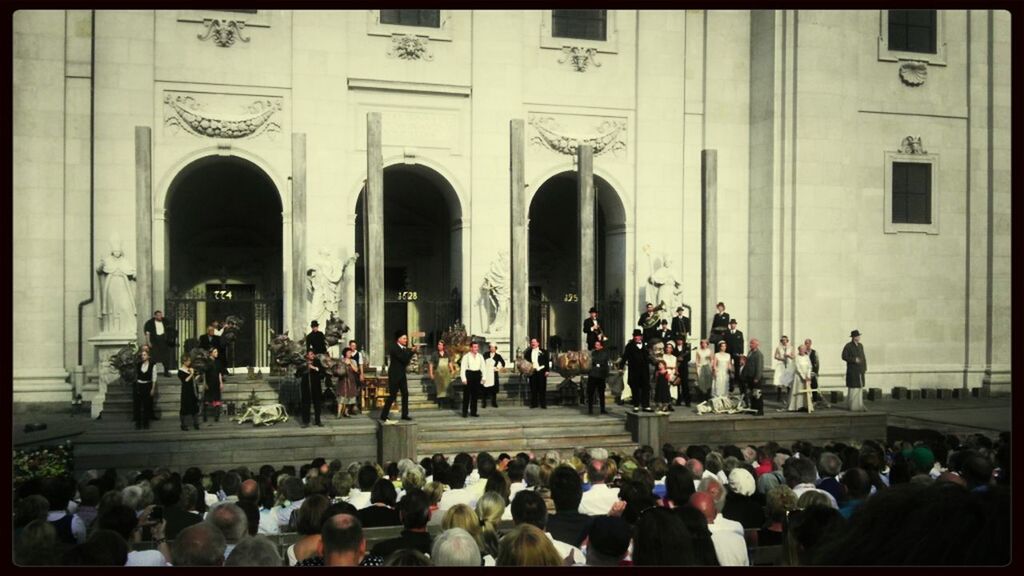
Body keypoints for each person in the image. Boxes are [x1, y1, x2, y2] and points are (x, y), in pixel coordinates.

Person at [96, 238, 136, 334]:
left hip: (123, 284)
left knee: (126, 305)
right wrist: (101, 265)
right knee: (112, 307)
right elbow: (98, 270)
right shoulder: (107, 261)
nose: (116, 253)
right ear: (112, 251)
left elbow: (132, 271)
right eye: (115, 251)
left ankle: (129, 328)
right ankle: (110, 329)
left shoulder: (124, 261)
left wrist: (135, 274)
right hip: (111, 285)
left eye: (118, 251)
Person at [380, 331, 414, 422]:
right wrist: (411, 352)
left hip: (402, 374)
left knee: (405, 394)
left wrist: (411, 352)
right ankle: (384, 415)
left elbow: (406, 361)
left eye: (406, 338)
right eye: (404, 338)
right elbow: (403, 359)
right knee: (392, 395)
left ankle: (405, 414)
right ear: (398, 339)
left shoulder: (405, 349)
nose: (406, 340)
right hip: (394, 374)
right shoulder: (394, 348)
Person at [619, 329, 652, 412]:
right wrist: (621, 367)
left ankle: (646, 405)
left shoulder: (645, 345)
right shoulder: (629, 346)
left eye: (638, 336)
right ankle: (636, 405)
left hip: (644, 370)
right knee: (635, 388)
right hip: (634, 370)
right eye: (635, 336)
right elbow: (625, 356)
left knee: (646, 387)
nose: (637, 337)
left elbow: (648, 356)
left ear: (641, 337)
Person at [297, 349, 324, 428]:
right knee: (305, 403)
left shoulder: (317, 362)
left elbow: (321, 371)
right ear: (307, 356)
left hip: (315, 385)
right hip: (306, 386)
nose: (312, 356)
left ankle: (318, 421)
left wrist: (314, 368)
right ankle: (306, 421)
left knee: (317, 403)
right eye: (310, 354)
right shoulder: (303, 363)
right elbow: (298, 373)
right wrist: (304, 368)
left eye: (313, 354)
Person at [842, 330, 867, 412]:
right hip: (852, 370)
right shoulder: (848, 346)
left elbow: (863, 357)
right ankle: (853, 406)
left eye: (859, 336)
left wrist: (864, 367)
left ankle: (860, 405)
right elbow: (844, 356)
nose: (858, 337)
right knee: (853, 388)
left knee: (859, 387)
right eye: (857, 336)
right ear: (853, 337)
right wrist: (853, 360)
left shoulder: (860, 346)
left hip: (860, 370)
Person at [460, 341, 486, 418]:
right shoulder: (466, 356)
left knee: (475, 395)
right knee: (467, 395)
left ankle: (473, 412)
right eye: (474, 347)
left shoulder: (480, 356)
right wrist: (464, 379)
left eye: (477, 347)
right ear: (471, 348)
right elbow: (463, 368)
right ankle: (464, 412)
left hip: (477, 375)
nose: (476, 349)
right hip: (469, 375)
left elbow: (483, 367)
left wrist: (484, 377)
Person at [144, 310, 172, 376]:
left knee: (166, 357)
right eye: (158, 315)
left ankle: (166, 372)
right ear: (155, 316)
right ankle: (151, 372)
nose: (160, 316)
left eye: (161, 315)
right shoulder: (150, 323)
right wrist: (148, 342)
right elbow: (147, 333)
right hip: (155, 342)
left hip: (164, 341)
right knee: (153, 357)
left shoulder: (166, 322)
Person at [524, 337, 551, 409]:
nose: (533, 343)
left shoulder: (544, 352)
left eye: (534, 342)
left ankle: (543, 404)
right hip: (532, 372)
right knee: (533, 388)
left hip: (541, 371)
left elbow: (546, 362)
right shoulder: (528, 352)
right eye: (532, 342)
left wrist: (547, 370)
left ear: (538, 343)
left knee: (542, 388)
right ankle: (534, 403)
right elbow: (526, 362)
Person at [740, 339, 765, 415]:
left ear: (757, 345)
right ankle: (752, 408)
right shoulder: (750, 352)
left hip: (755, 377)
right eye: (750, 343)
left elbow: (759, 367)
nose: (750, 345)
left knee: (757, 394)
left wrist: (757, 377)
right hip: (749, 376)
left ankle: (759, 410)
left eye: (752, 343)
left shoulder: (758, 354)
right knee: (751, 394)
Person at [586, 338, 610, 415]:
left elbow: (605, 364)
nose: (596, 346)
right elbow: (590, 362)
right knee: (591, 393)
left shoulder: (604, 353)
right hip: (593, 375)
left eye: (597, 345)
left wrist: (606, 375)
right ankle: (590, 409)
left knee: (601, 393)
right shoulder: (592, 353)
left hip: (600, 375)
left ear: (601, 346)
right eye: (595, 345)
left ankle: (602, 409)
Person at [134, 349, 156, 429]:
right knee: (138, 405)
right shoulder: (139, 365)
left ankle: (146, 423)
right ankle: (138, 423)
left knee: (146, 405)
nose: (143, 356)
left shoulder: (152, 365)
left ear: (148, 356)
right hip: (139, 386)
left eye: (144, 355)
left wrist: (153, 389)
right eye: (142, 355)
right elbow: (136, 375)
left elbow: (154, 378)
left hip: (147, 386)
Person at [335, 347, 360, 418]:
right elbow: (337, 370)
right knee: (341, 397)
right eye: (348, 352)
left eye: (350, 352)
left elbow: (356, 370)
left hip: (351, 380)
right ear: (345, 353)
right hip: (342, 380)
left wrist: (350, 363)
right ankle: (339, 413)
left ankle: (346, 412)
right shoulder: (341, 361)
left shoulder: (353, 361)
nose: (350, 354)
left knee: (350, 396)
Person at [200, 347, 224, 423]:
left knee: (217, 399)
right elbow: (204, 373)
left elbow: (219, 373)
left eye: (217, 352)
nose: (217, 353)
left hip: (216, 383)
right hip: (209, 383)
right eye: (215, 352)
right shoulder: (207, 362)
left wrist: (221, 383)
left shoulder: (218, 362)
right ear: (211, 353)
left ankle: (216, 417)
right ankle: (204, 417)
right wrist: (205, 383)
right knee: (207, 400)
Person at [428, 340, 453, 408]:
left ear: (443, 346)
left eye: (441, 345)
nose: (439, 346)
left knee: (447, 387)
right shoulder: (435, 354)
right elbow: (431, 364)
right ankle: (440, 403)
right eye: (438, 345)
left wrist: (452, 370)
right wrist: (431, 373)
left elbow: (449, 362)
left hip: (446, 373)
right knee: (440, 388)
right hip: (438, 373)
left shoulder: (446, 353)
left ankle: (448, 403)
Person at [788, 344, 813, 412]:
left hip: (806, 377)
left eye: (803, 349)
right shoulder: (797, 357)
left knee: (806, 392)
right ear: (799, 350)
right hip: (799, 377)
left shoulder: (807, 357)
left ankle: (806, 406)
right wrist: (803, 376)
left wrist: (808, 375)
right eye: (801, 349)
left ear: (805, 350)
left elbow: (809, 366)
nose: (802, 351)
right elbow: (798, 368)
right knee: (798, 390)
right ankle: (797, 406)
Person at [178, 354, 200, 431]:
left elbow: (196, 378)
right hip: (186, 391)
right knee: (184, 407)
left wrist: (197, 376)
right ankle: (183, 424)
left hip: (193, 390)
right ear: (184, 362)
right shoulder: (180, 371)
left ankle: (196, 423)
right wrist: (191, 374)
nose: (190, 362)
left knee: (195, 406)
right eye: (188, 361)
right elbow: (185, 380)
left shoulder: (191, 368)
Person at [804, 338, 826, 406]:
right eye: (806, 343)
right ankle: (806, 401)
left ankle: (815, 400)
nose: (807, 345)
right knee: (806, 386)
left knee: (814, 386)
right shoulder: (803, 352)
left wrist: (816, 372)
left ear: (810, 344)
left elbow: (817, 362)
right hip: (805, 372)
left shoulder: (814, 352)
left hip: (813, 372)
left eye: (808, 343)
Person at [724, 319, 744, 392]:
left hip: (736, 352)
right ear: (730, 325)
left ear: (736, 325)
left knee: (737, 366)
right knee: (728, 366)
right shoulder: (727, 333)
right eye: (732, 324)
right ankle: (729, 379)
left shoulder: (739, 333)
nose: (733, 325)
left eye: (734, 324)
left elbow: (741, 343)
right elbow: (724, 342)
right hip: (728, 352)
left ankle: (736, 380)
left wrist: (741, 352)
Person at [483, 343, 505, 409]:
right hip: (486, 373)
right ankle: (484, 403)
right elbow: (482, 362)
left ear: (496, 348)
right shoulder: (485, 354)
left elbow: (503, 363)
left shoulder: (498, 356)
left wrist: (498, 368)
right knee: (485, 389)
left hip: (494, 374)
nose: (492, 349)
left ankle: (494, 402)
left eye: (493, 347)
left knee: (494, 389)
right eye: (491, 347)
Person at [674, 335, 692, 407]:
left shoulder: (686, 349)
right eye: (678, 340)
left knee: (685, 385)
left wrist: (683, 359)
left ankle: (687, 401)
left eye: (680, 340)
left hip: (684, 368)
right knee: (677, 385)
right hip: (677, 368)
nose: (679, 341)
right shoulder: (674, 349)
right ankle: (678, 401)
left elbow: (689, 358)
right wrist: (677, 359)